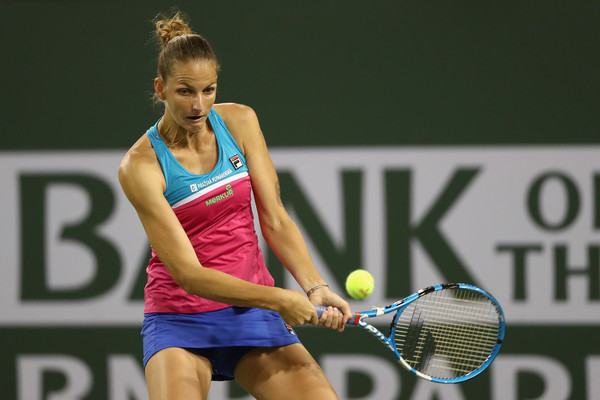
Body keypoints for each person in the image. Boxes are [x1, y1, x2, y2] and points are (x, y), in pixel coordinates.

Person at [118, 11, 352, 400]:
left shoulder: (240, 122)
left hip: (251, 313)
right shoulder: (140, 167)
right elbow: (190, 275)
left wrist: (315, 286)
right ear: (160, 89)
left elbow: (274, 217)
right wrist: (281, 299)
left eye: (208, 90)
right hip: (181, 319)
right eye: (185, 91)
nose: (198, 105)